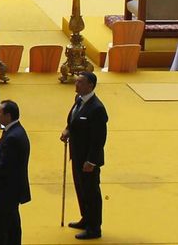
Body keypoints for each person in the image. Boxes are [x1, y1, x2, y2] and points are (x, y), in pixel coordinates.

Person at [61, 71, 107, 240]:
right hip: (77, 155)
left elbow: (99, 139)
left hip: (88, 159)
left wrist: (91, 161)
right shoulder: (79, 100)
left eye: (80, 82)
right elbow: (72, 120)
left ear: (90, 86)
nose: (76, 84)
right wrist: (67, 130)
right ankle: (86, 218)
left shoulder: (97, 109)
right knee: (81, 189)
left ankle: (94, 228)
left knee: (91, 192)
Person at [0, 100, 32, 245]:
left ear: (8, 116)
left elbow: (5, 166)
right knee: (11, 225)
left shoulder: (13, 137)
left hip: (6, 190)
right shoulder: (13, 131)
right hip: (11, 190)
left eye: (0, 112)